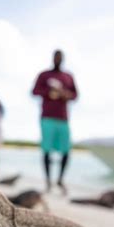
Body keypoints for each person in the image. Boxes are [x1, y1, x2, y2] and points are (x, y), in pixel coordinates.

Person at [32, 50, 78, 192]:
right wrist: (48, 92)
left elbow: (75, 95)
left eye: (60, 57)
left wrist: (64, 94)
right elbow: (34, 91)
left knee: (66, 151)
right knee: (46, 150)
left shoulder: (68, 76)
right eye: (56, 57)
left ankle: (60, 179)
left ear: (63, 59)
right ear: (52, 58)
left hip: (63, 118)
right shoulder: (44, 75)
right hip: (47, 118)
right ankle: (48, 181)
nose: (58, 59)